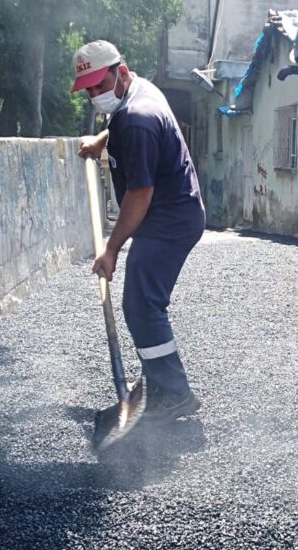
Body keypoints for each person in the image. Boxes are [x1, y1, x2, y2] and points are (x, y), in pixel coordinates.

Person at [72, 40, 205, 438]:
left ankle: (174, 392)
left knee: (142, 306)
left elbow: (139, 194)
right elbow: (124, 126)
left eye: (100, 85)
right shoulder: (137, 92)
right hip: (169, 212)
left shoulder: (139, 119)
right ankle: (160, 382)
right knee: (143, 303)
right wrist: (103, 140)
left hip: (167, 218)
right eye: (89, 89)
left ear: (121, 71)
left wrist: (111, 249)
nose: (96, 95)